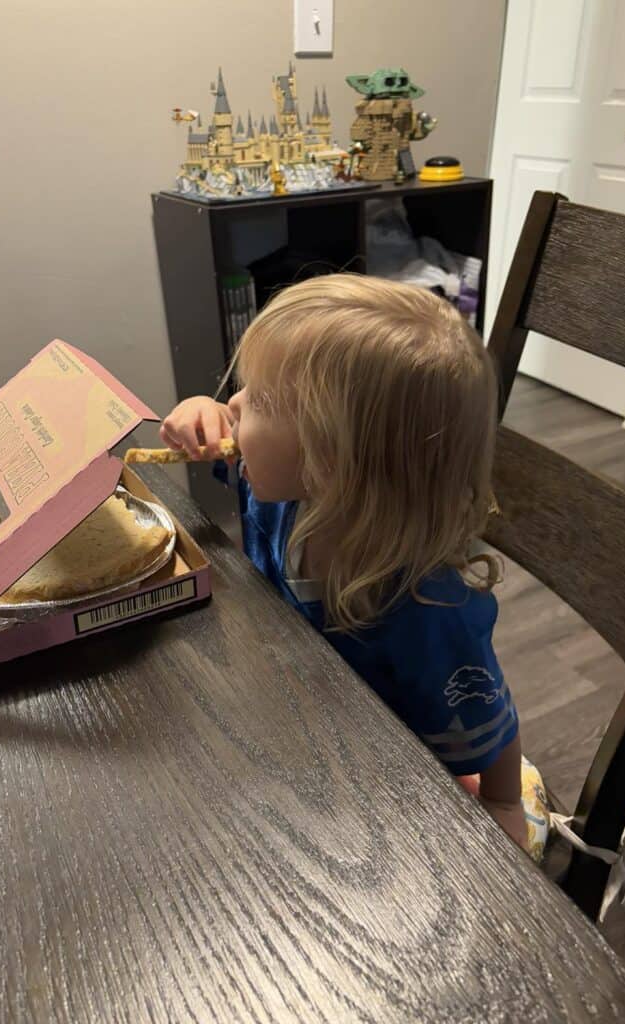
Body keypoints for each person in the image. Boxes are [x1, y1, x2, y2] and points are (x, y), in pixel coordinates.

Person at [161, 274, 528, 851]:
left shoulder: (426, 613)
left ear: (330, 463)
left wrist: (505, 801)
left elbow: (492, 726)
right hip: (294, 719)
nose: (232, 404)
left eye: (256, 399)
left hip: (381, 798)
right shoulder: (281, 495)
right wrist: (200, 414)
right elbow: (227, 437)